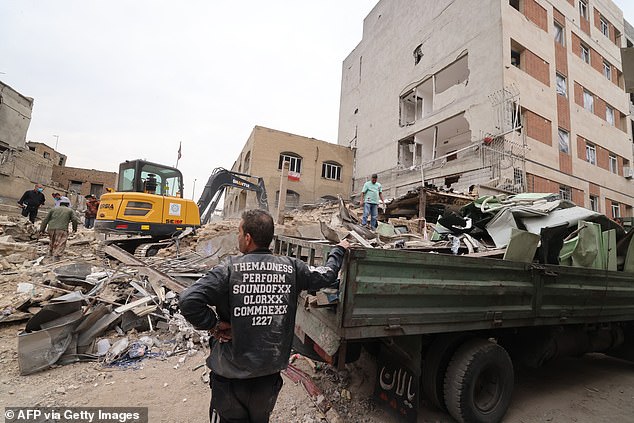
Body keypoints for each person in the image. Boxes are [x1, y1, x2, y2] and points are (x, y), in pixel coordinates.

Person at [179, 209, 349, 423]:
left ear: (248, 238)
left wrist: (213, 325)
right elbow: (328, 275)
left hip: (230, 378)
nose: (238, 237)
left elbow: (188, 300)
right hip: (267, 379)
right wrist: (339, 251)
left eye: (239, 233)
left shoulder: (228, 270)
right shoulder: (292, 268)